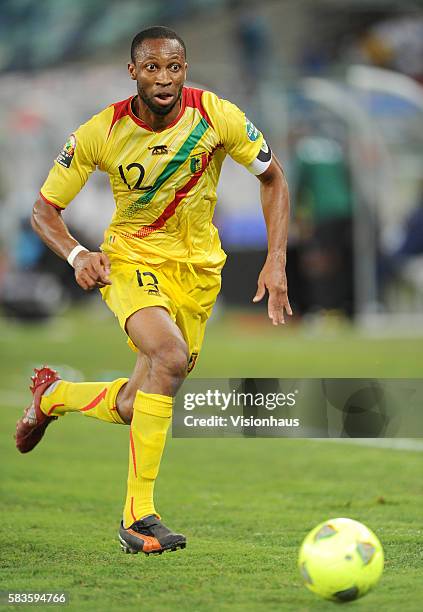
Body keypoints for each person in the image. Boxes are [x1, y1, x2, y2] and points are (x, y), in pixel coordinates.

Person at [15, 26, 291, 556]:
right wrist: (78, 254)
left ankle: (53, 397)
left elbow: (273, 178)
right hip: (131, 260)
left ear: (184, 70)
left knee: (132, 403)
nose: (163, 78)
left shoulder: (216, 115)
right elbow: (45, 209)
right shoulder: (102, 130)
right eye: (151, 68)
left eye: (173, 67)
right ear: (133, 72)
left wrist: (275, 261)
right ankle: (138, 516)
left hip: (198, 273)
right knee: (169, 356)